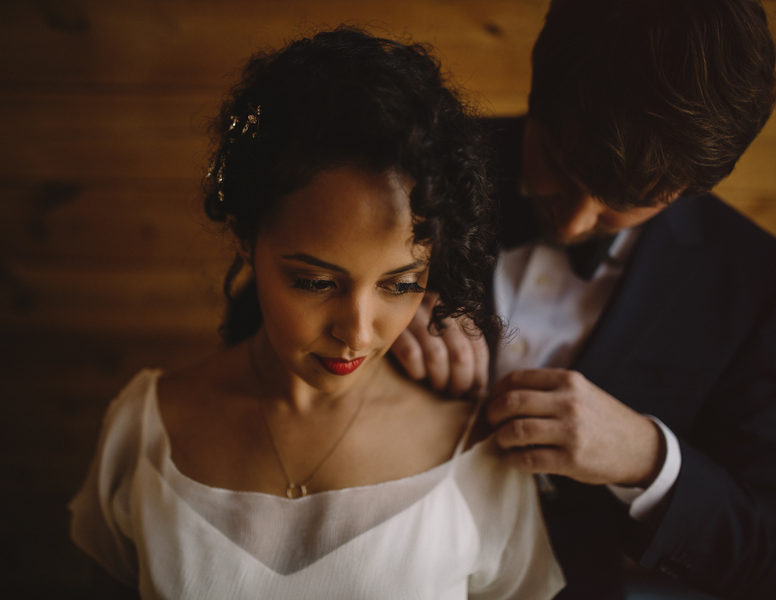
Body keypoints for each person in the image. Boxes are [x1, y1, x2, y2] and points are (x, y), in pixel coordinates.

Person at [68, 27, 565, 599]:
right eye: (315, 281)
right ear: (244, 239)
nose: (356, 331)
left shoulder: (476, 451)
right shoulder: (145, 430)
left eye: (399, 284)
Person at [391, 1, 776, 599]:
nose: (572, 222)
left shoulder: (754, 283)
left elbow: (764, 552)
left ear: (688, 188)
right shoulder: (408, 166)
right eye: (562, 169)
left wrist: (648, 460)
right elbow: (253, 322)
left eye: (624, 199)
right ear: (538, 88)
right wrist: (375, 312)